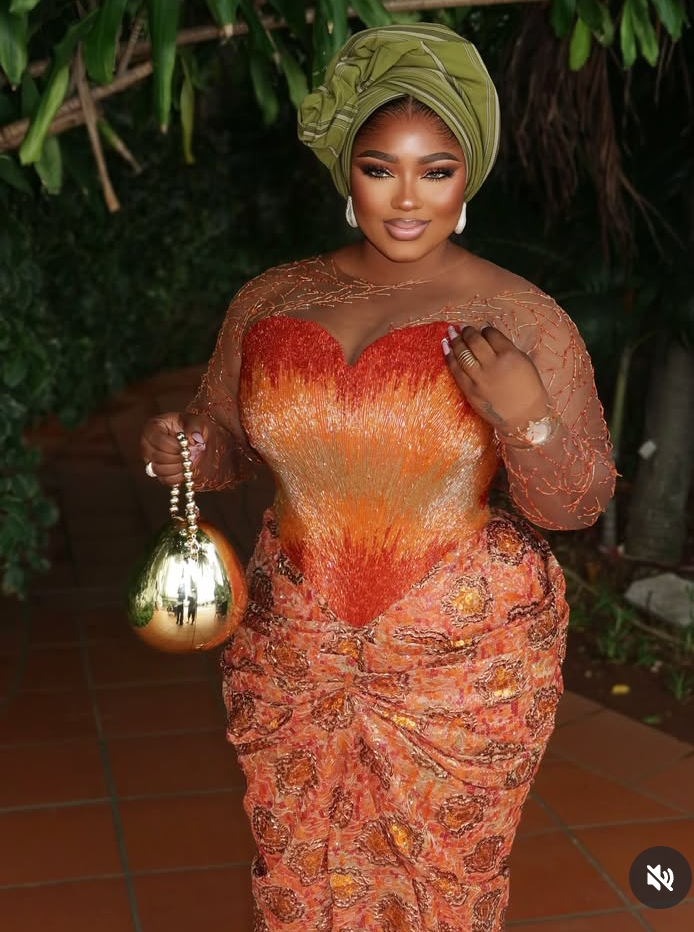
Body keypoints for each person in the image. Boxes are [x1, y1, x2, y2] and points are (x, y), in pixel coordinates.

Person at [140, 23, 615, 932]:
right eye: (379, 168)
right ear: (346, 175)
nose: (406, 198)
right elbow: (228, 441)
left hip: (462, 660)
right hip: (297, 650)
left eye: (435, 170)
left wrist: (526, 414)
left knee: (444, 894)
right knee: (299, 879)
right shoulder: (270, 302)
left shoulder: (519, 315)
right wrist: (188, 449)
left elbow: (578, 503)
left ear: (466, 179)